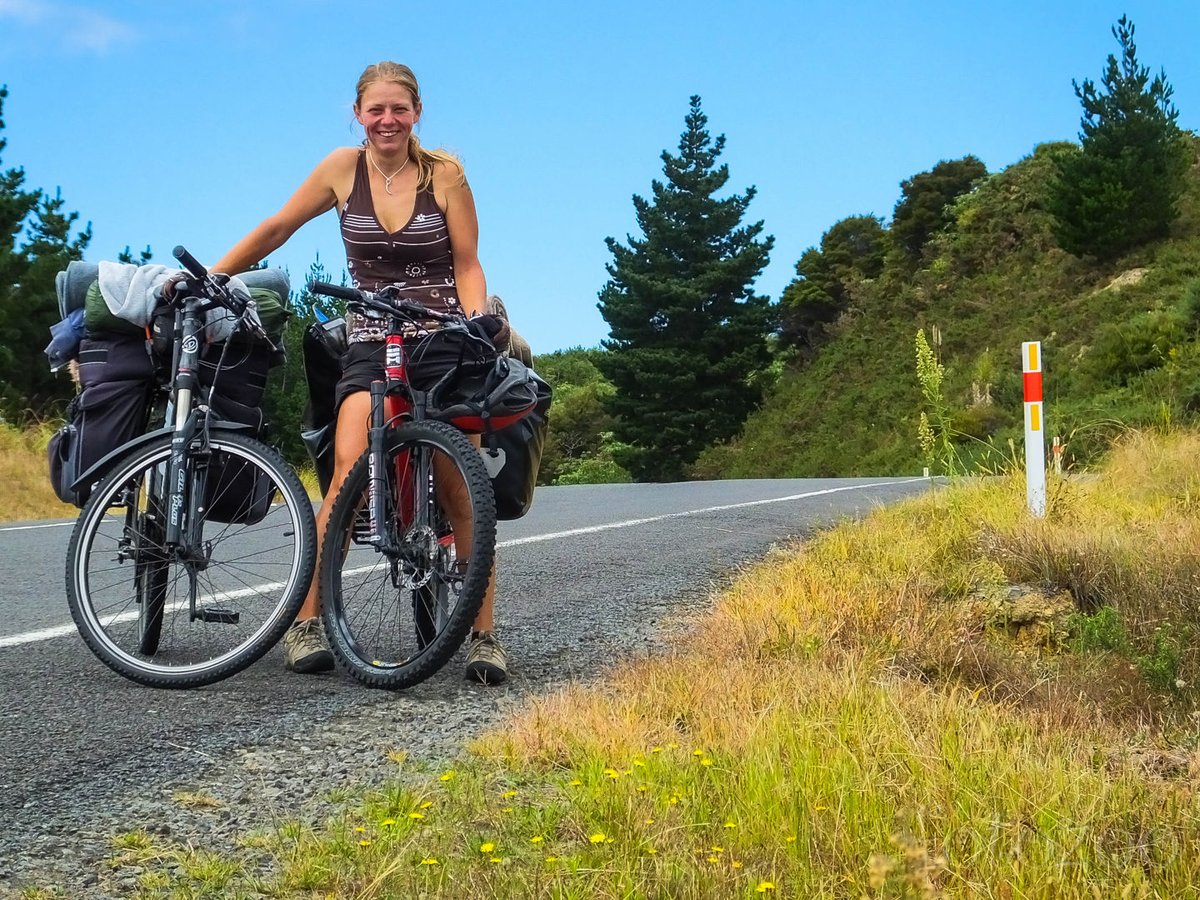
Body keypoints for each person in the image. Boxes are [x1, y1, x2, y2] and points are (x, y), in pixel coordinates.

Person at [209, 61, 508, 684]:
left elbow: (468, 261)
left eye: (399, 109)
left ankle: (483, 638)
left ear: (417, 113)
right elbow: (277, 227)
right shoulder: (341, 170)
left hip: (445, 337)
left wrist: (478, 318)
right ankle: (309, 623)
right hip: (372, 338)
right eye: (376, 110)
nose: (387, 120)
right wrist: (213, 277)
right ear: (358, 114)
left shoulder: (445, 175)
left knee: (461, 488)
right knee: (348, 475)